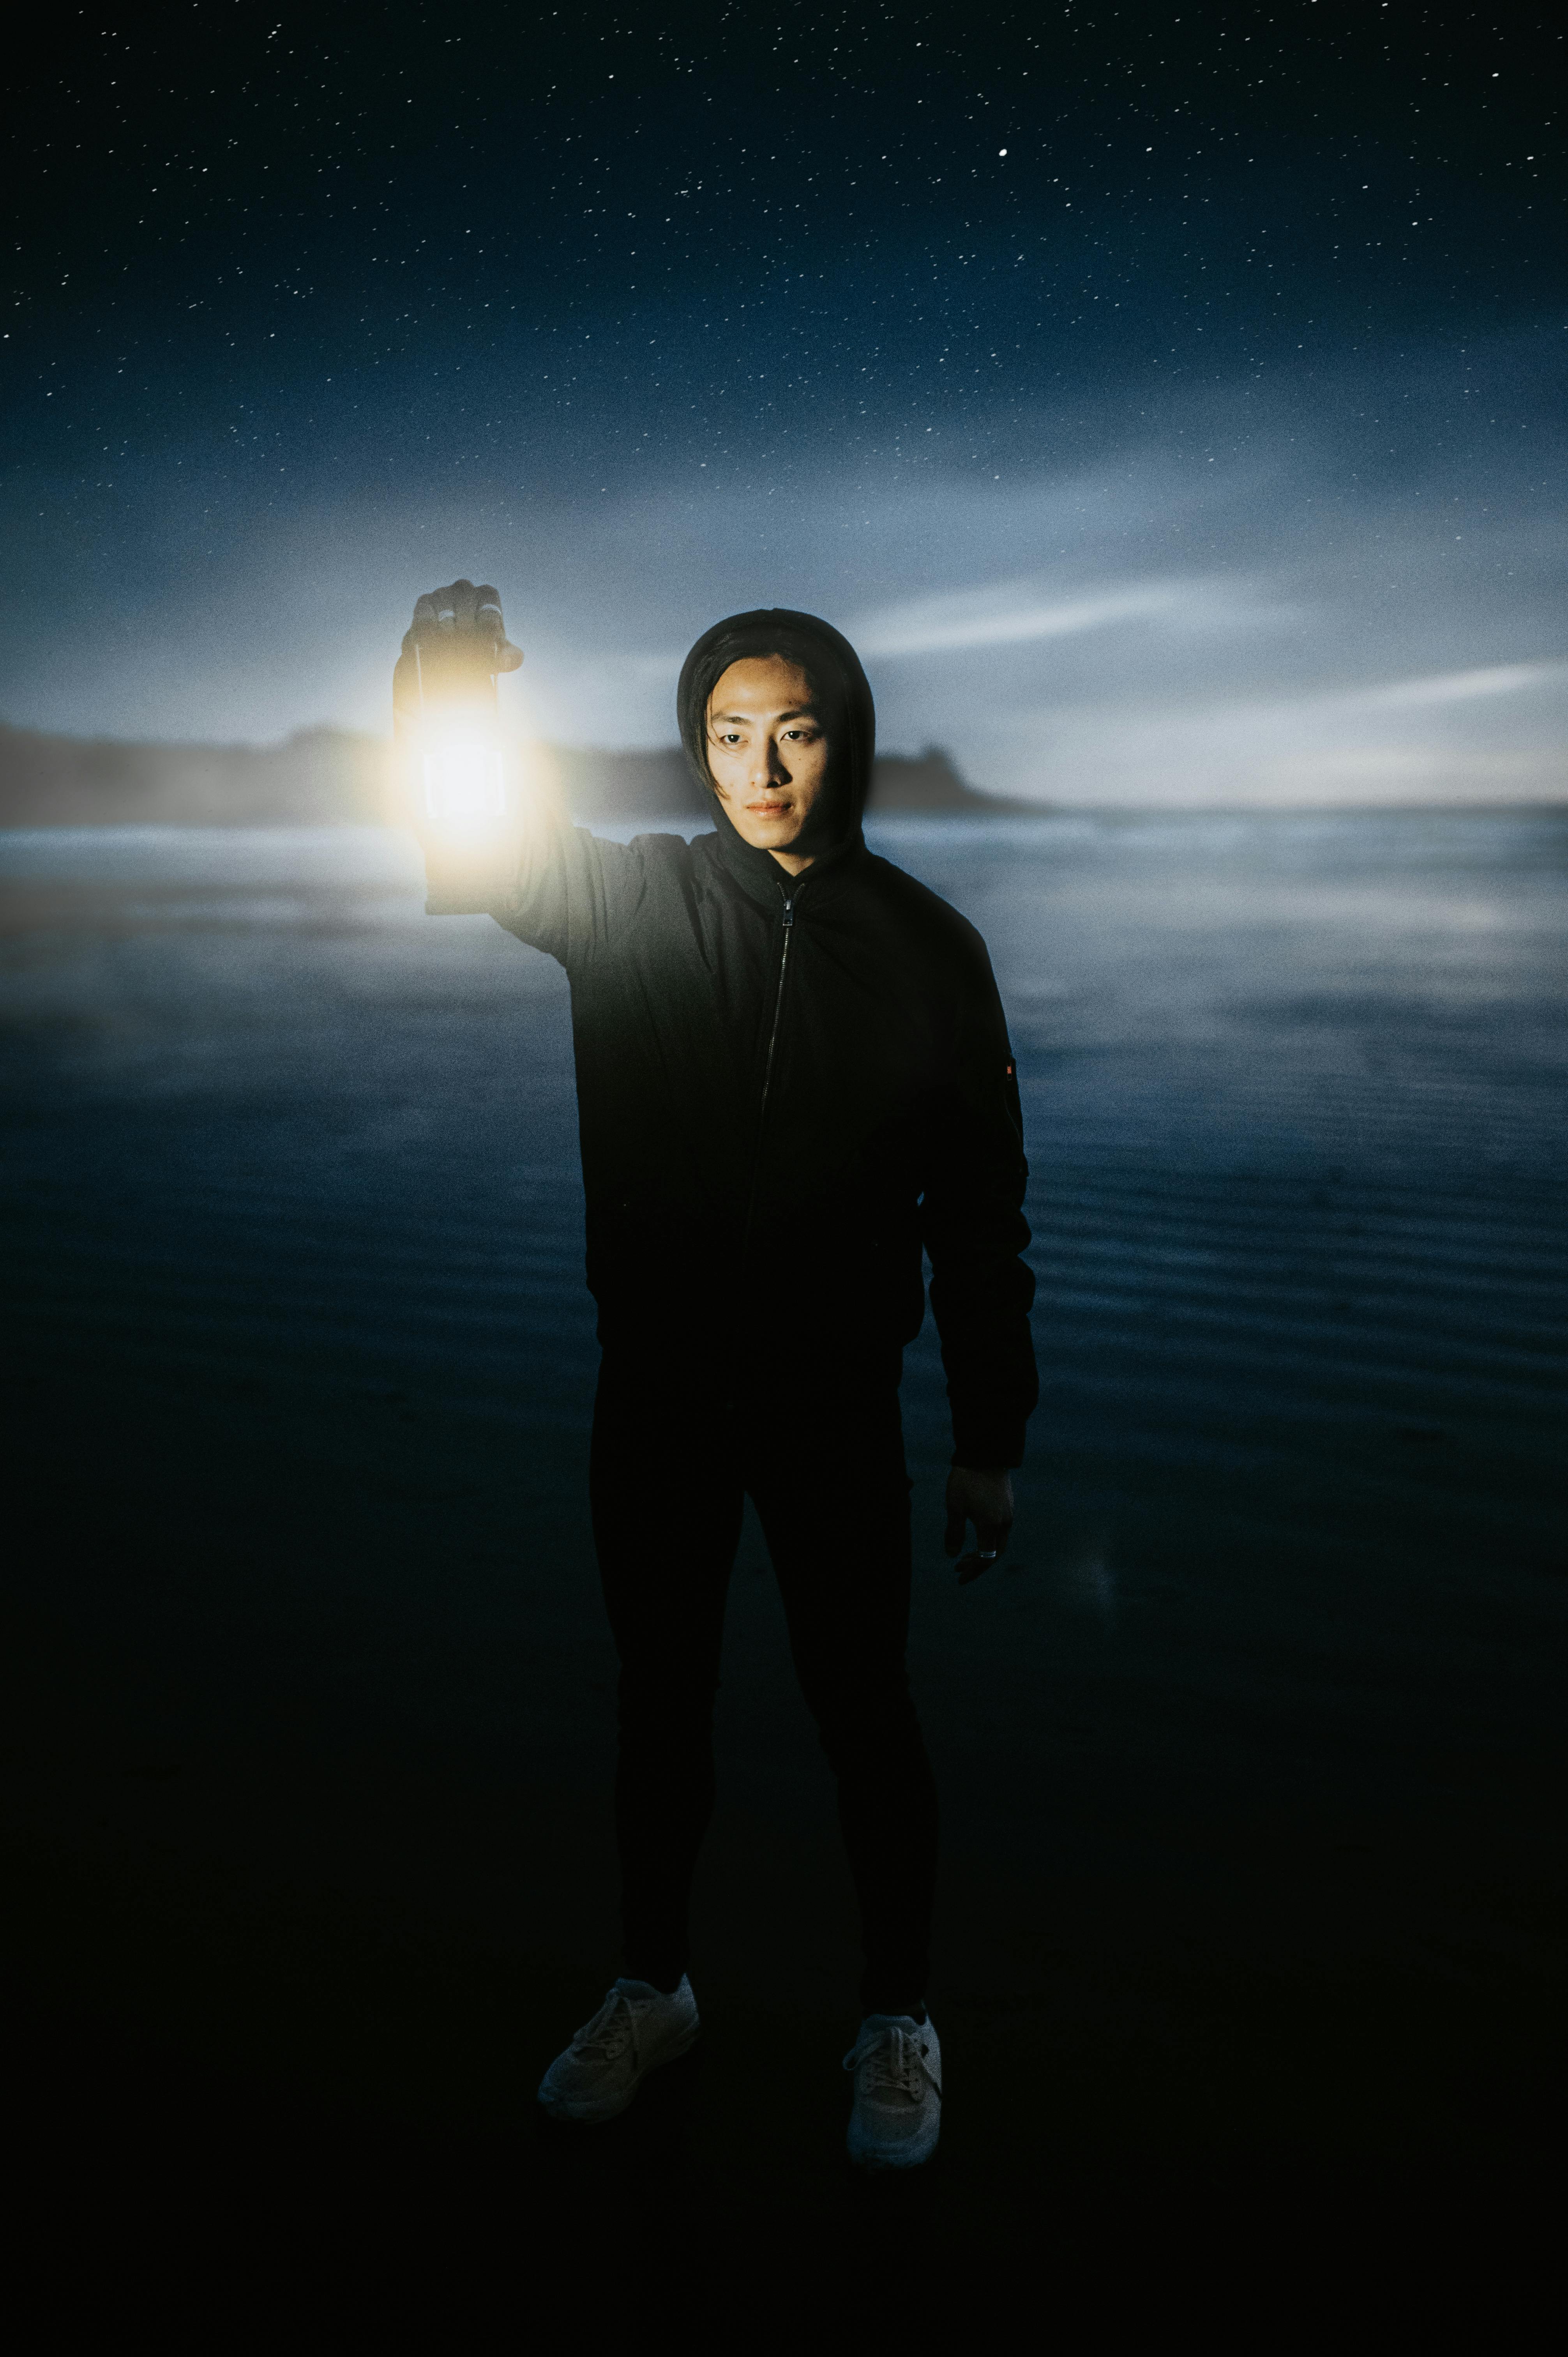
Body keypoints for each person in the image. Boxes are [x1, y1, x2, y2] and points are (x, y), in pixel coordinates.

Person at [396, 585, 1037, 2170]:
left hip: (834, 1406)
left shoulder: (931, 950)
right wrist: (450, 691)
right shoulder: (627, 900)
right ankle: (654, 1989)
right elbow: (471, 836)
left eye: (796, 732)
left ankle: (898, 2019)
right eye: (730, 735)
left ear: (847, 740)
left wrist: (989, 1434)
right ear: (698, 748)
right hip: (659, 1394)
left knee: (864, 1709)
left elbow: (978, 1213)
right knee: (660, 1700)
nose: (762, 769)